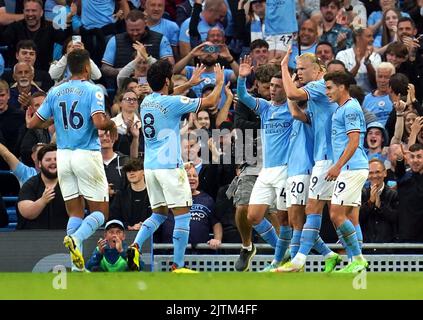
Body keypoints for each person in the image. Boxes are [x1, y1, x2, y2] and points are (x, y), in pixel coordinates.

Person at [126, 60, 224, 273]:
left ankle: (134, 245)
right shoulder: (172, 103)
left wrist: (189, 83)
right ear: (167, 80)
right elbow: (211, 100)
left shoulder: (147, 101)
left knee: (159, 214)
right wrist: (220, 83)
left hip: (150, 167)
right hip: (169, 166)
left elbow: (171, 94)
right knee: (182, 216)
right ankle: (178, 265)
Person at [27, 49, 117, 271]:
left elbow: (33, 124)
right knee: (101, 213)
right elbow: (98, 122)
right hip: (86, 154)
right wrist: (111, 124)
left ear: (68, 68)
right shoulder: (92, 90)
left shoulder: (56, 92)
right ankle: (76, 239)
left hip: (63, 155)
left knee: (75, 212)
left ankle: (76, 267)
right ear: (87, 67)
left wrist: (55, 121)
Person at [277, 51, 338, 272]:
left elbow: (292, 93)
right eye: (296, 68)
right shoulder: (318, 96)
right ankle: (338, 256)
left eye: (301, 69)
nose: (298, 72)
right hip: (322, 158)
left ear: (317, 69)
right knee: (332, 213)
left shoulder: (318, 86)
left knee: (323, 212)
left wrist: (284, 68)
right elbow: (300, 116)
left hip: (328, 158)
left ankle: (299, 260)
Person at [237, 56, 293, 272]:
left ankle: (281, 261)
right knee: (253, 216)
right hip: (266, 170)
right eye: (270, 86)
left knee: (284, 219)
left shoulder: (292, 107)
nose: (272, 90)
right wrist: (242, 78)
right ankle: (284, 254)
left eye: (277, 86)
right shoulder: (265, 107)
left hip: (285, 170)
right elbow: (242, 96)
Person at [324, 71, 369, 273]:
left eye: (329, 87)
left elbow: (353, 142)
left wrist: (338, 165)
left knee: (336, 214)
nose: (327, 92)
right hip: (352, 168)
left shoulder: (350, 108)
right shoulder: (341, 108)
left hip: (352, 168)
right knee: (350, 217)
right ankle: (354, 261)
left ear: (342, 87)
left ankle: (358, 258)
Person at [16, 144, 68, 229]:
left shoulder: (69, 184)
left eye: (56, 159)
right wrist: (43, 201)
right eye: (48, 160)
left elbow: (76, 214)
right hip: (32, 237)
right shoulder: (30, 185)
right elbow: (26, 213)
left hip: (63, 236)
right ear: (40, 163)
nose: (53, 162)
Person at [360, 158, 399, 253]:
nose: (374, 176)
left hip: (388, 250)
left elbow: (397, 219)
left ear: (385, 173)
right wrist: (370, 202)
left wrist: (380, 205)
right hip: (365, 250)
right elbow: (357, 219)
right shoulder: (361, 194)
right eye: (371, 173)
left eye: (377, 172)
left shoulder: (394, 195)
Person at [110, 158, 152, 230]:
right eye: (128, 171)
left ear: (144, 172)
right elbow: (114, 218)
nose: (131, 173)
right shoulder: (121, 195)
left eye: (135, 170)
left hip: (151, 234)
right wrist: (128, 227)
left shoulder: (153, 194)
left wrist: (146, 225)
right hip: (126, 235)